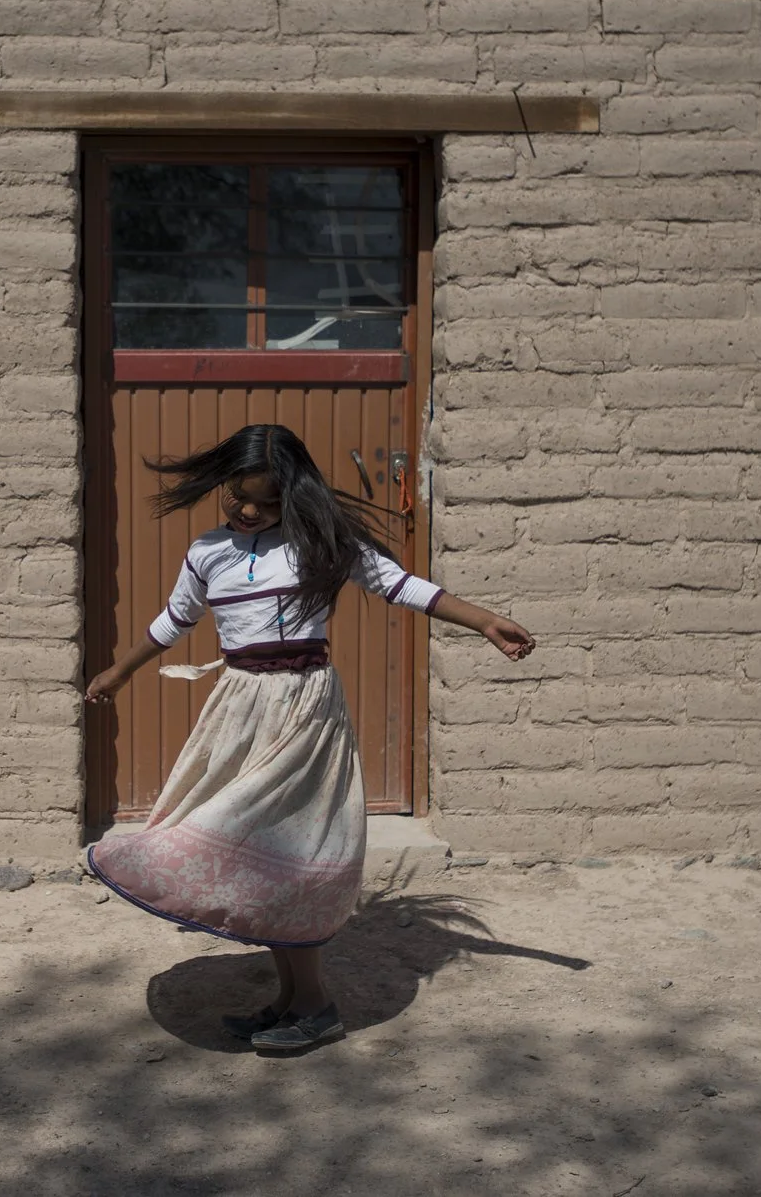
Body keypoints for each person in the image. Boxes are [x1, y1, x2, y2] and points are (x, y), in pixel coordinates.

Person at [82, 423, 535, 1052]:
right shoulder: (207, 552)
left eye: (266, 502)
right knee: (252, 853)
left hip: (305, 710)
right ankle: (292, 1001)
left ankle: (315, 1005)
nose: (247, 510)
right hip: (239, 710)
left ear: (294, 497)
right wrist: (119, 670)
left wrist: (484, 621)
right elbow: (174, 620)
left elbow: (402, 586)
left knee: (290, 857)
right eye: (237, 496)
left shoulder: (321, 544)